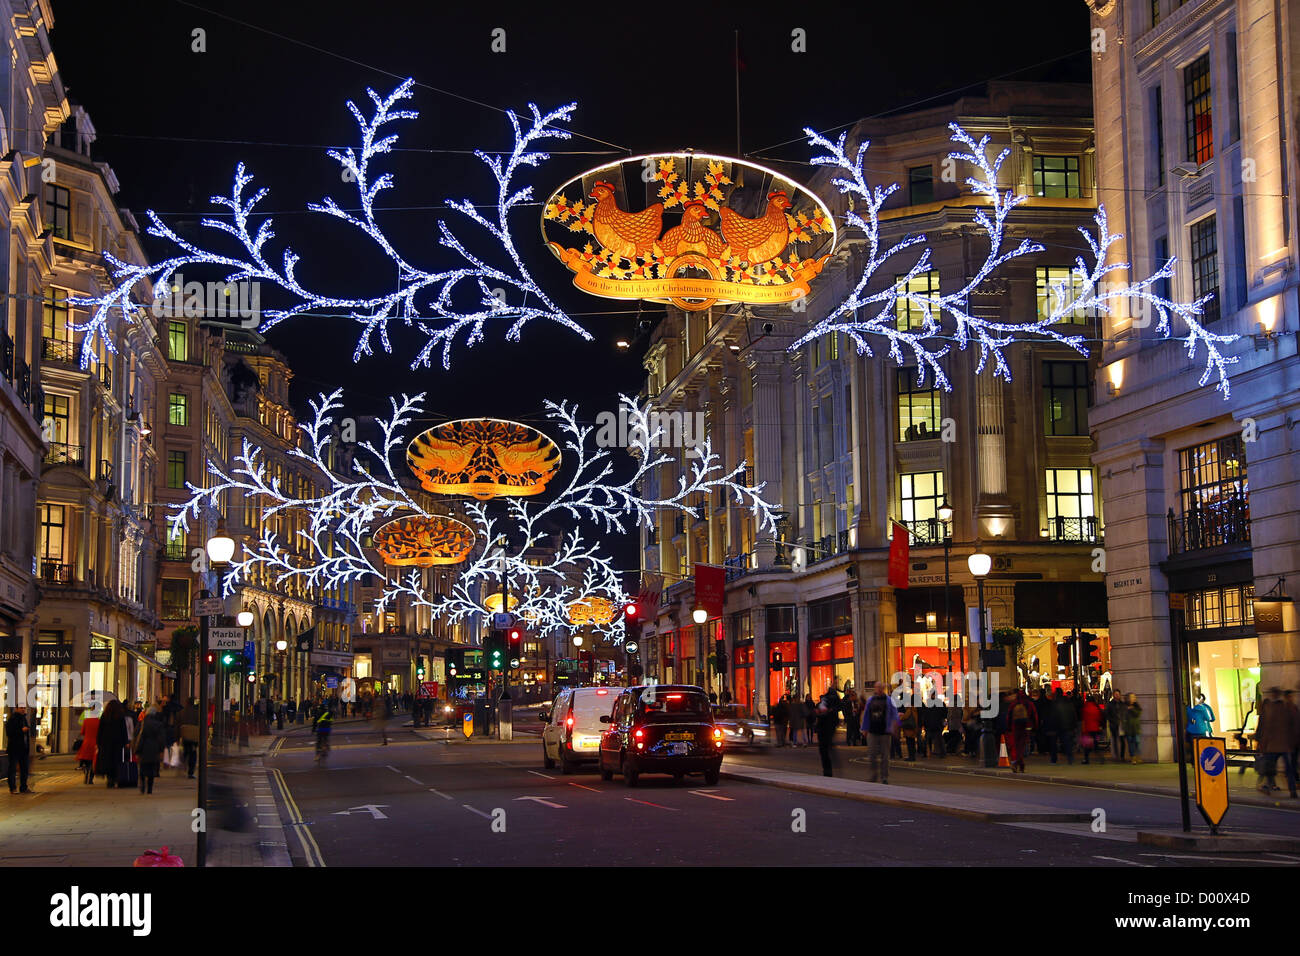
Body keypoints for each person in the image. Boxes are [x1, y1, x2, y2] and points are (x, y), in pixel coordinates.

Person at [1255, 687, 1297, 796]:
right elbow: (1294, 725)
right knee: (1288, 770)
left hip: (1273, 745)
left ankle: (1269, 787)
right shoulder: (1287, 706)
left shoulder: (1269, 706)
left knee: (1269, 768)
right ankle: (1292, 791)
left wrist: (1259, 740)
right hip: (1284, 745)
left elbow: (1263, 726)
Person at [861, 681, 899, 783]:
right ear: (875, 688)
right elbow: (866, 715)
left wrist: (894, 727)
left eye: (881, 687)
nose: (879, 689)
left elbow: (895, 715)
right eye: (877, 687)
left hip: (885, 732)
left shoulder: (889, 700)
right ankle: (874, 774)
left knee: (885, 756)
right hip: (872, 731)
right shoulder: (870, 700)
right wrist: (864, 729)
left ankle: (884, 776)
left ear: (884, 688)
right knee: (872, 755)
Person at [133, 707, 167, 795]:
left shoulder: (141, 724)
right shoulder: (159, 724)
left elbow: (136, 735)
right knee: (152, 768)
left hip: (143, 747)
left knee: (142, 767)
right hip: (154, 748)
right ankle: (150, 788)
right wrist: (161, 749)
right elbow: (161, 738)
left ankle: (143, 784)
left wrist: (136, 749)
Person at [814, 677, 843, 777]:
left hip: (826, 725)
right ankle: (828, 770)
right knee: (825, 747)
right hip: (825, 725)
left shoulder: (830, 698)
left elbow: (837, 707)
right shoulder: (828, 698)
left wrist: (827, 711)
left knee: (824, 748)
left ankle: (827, 770)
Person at [96, 700, 128, 788]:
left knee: (107, 760)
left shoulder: (104, 716)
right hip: (118, 742)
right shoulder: (120, 716)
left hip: (106, 742)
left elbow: (100, 730)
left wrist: (98, 742)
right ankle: (115, 777)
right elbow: (124, 730)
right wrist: (125, 742)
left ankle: (109, 779)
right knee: (117, 760)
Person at [5, 706, 31, 793]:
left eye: (24, 708)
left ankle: (23, 787)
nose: (23, 709)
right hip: (14, 748)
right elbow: (9, 733)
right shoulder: (12, 719)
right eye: (21, 708)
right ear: (16, 709)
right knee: (12, 768)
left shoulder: (24, 719)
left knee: (24, 769)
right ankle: (12, 788)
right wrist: (21, 730)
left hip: (24, 748)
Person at [1007, 690, 1034, 773]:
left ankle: (1017, 763)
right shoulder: (1029, 704)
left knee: (1016, 745)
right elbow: (1034, 715)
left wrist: (1008, 728)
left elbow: (1009, 716)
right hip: (1026, 726)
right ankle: (1020, 763)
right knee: (1022, 746)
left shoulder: (1013, 704)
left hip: (1015, 727)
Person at [1053, 688, 1079, 765]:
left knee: (1056, 743)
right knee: (1068, 743)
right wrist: (1074, 724)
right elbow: (1073, 714)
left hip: (1059, 725)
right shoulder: (1068, 702)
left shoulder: (1055, 703)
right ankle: (1070, 758)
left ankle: (1054, 759)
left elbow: (1054, 716)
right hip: (1068, 725)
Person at [77, 707, 100, 784]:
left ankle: (86, 774)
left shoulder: (86, 721)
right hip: (95, 744)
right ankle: (90, 778)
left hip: (86, 743)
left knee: (86, 761)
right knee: (93, 762)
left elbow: (82, 732)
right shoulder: (99, 721)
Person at [1080, 694, 1104, 764]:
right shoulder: (1096, 708)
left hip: (1088, 730)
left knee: (1087, 746)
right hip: (1096, 729)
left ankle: (1086, 759)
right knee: (1096, 746)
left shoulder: (1085, 708)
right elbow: (1099, 718)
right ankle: (1101, 758)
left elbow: (1083, 719)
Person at [179, 698, 200, 778]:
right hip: (194, 736)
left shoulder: (183, 711)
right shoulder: (197, 712)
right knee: (193, 753)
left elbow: (179, 723)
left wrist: (178, 736)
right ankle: (190, 771)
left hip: (185, 735)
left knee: (186, 751)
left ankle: (183, 763)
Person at [1106, 691, 1127, 761]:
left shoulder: (1122, 704)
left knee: (1122, 741)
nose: (1117, 695)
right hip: (1114, 725)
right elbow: (1107, 714)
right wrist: (1111, 721)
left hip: (1121, 725)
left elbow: (1125, 712)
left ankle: (1122, 756)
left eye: (1118, 694)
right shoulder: (1110, 704)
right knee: (1115, 741)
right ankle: (1116, 756)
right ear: (1113, 695)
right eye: (1115, 694)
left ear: (1120, 695)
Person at [1123, 693, 1143, 763]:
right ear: (1128, 698)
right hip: (1128, 729)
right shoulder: (1124, 706)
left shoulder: (1137, 706)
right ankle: (1133, 758)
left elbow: (1138, 714)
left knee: (1137, 743)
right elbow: (1123, 717)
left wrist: (1132, 709)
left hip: (1136, 728)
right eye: (1131, 697)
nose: (1133, 698)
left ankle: (1138, 757)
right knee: (1130, 744)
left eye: (1134, 697)